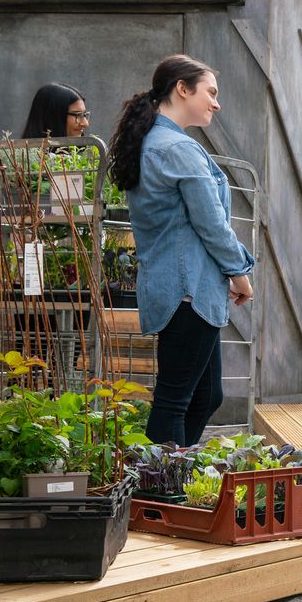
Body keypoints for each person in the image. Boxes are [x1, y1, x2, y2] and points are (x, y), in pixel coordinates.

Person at [108, 55, 254, 447]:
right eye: (211, 92)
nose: (216, 103)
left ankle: (176, 479)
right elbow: (211, 224)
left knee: (207, 396)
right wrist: (240, 273)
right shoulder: (175, 149)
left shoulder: (159, 142)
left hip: (186, 289)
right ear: (182, 89)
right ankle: (159, 495)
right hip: (188, 291)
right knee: (174, 401)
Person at [21, 83, 91, 138]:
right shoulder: (21, 156)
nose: (85, 123)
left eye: (84, 115)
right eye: (78, 115)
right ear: (53, 118)